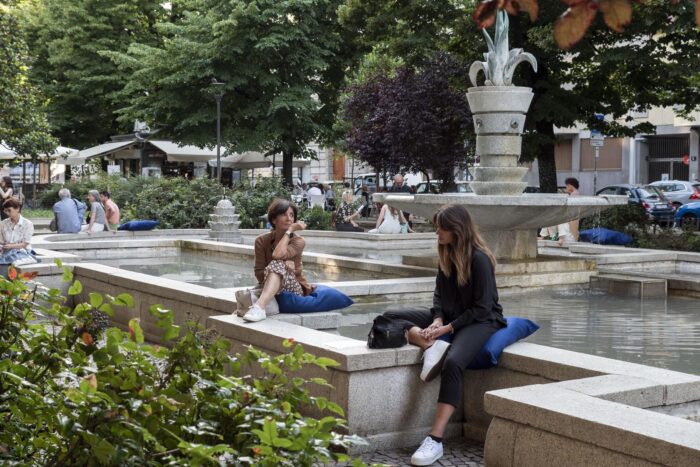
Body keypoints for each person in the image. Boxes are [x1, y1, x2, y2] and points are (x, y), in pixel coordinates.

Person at [382, 204, 506, 465]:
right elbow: (439, 295)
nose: (436, 232)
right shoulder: (446, 254)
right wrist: (437, 319)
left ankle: (435, 440)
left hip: (480, 320)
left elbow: (483, 308)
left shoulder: (480, 259)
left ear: (457, 230)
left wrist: (448, 328)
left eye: (441, 228)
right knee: (388, 316)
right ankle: (427, 344)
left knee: (453, 362)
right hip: (448, 318)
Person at [243, 198, 314, 322]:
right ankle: (259, 307)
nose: (289, 219)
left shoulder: (298, 241)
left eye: (291, 215)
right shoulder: (261, 241)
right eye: (283, 214)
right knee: (278, 264)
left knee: (278, 263)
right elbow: (259, 274)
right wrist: (282, 265)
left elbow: (277, 255)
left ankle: (259, 307)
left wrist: (290, 231)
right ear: (274, 219)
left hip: (294, 287)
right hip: (268, 283)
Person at [0, 198, 36, 267]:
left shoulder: (28, 224)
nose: (7, 213)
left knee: (12, 259)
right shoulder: (3, 223)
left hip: (22, 251)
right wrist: (1, 247)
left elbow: (25, 244)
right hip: (6, 252)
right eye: (5, 211)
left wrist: (11, 246)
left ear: (17, 209)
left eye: (9, 210)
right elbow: (1, 242)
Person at [564, 177, 580, 242]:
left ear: (571, 185)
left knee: (573, 231)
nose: (566, 187)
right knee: (573, 231)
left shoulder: (575, 194)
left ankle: (575, 242)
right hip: (573, 215)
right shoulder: (575, 193)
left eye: (567, 185)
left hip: (573, 216)